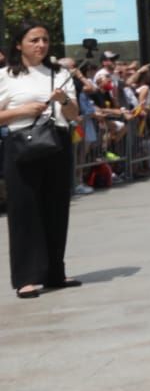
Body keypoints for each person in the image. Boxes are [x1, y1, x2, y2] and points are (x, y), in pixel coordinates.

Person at [0, 21, 83, 299]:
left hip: (56, 143)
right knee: (24, 210)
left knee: (56, 208)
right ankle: (25, 277)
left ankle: (54, 272)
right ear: (19, 44)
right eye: (34, 40)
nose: (41, 45)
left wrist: (64, 101)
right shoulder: (6, 76)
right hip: (22, 145)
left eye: (45, 40)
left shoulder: (60, 73)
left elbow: (73, 115)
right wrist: (21, 110)